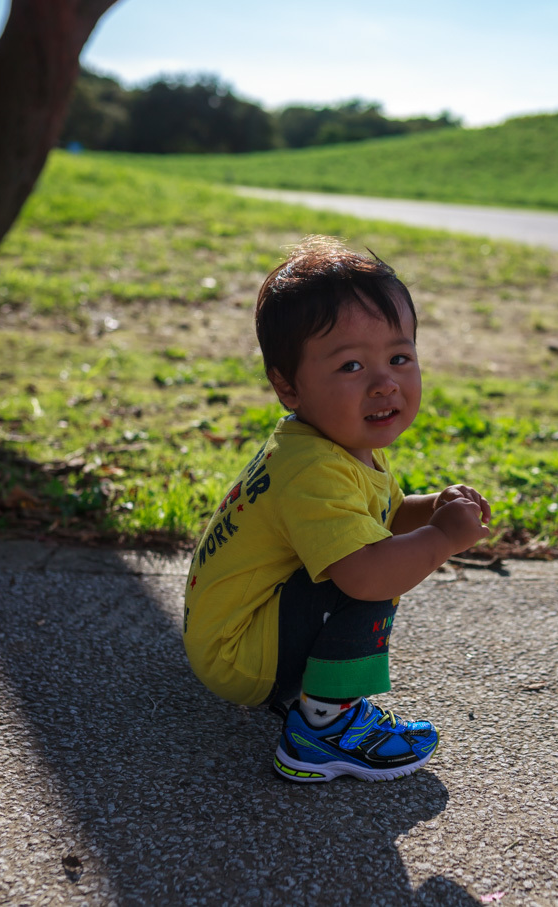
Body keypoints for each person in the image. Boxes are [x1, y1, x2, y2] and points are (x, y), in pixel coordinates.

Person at [182, 236, 492, 783]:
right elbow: (368, 573)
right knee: (366, 577)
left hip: (238, 632)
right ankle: (321, 730)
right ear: (288, 386)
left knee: (373, 553)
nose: (384, 383)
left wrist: (434, 510)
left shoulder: (329, 446)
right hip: (240, 654)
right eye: (351, 365)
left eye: (400, 357)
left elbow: (386, 519)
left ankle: (309, 694)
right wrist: (442, 539)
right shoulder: (316, 472)